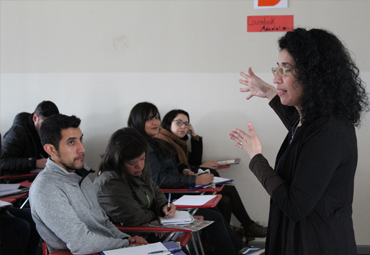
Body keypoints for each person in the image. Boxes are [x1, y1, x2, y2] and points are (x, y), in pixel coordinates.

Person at [229, 28, 369, 255]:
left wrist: (256, 159)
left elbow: (295, 206)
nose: (276, 77)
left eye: (286, 69)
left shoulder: (329, 130)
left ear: (314, 74)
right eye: (277, 68)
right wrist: (267, 91)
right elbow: (299, 130)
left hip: (318, 245)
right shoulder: (315, 123)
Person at [128, 102, 253, 255]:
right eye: (149, 119)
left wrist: (185, 170)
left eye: (156, 118)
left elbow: (174, 165)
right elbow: (158, 179)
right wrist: (195, 180)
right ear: (138, 121)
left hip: (171, 196)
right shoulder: (143, 147)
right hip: (165, 201)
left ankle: (241, 248)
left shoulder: (155, 142)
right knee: (213, 215)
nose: (155, 122)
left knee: (216, 208)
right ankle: (239, 247)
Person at [29, 114, 146, 254]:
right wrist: (125, 244)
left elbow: (103, 222)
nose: (82, 149)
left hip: (110, 249)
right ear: (51, 150)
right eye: (71, 142)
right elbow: (81, 243)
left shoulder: (80, 175)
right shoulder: (46, 189)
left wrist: (127, 239)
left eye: (80, 139)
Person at [159, 109, 267, 239]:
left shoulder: (178, 142)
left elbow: (192, 162)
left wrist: (193, 135)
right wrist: (200, 167)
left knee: (225, 200)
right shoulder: (163, 142)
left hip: (185, 184)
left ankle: (219, 241)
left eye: (186, 124)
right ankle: (247, 227)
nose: (183, 126)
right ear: (167, 123)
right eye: (179, 122)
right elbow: (177, 171)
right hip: (177, 191)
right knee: (228, 189)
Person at [94, 128, 190, 254]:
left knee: (181, 246)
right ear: (118, 160)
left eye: (142, 158)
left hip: (146, 229)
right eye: (132, 163)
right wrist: (156, 216)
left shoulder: (140, 170)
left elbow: (155, 190)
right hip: (127, 238)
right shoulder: (109, 182)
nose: (140, 166)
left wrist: (162, 206)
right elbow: (133, 217)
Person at [1, 101, 59, 175]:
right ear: (35, 118)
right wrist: (35, 162)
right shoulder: (18, 132)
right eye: (44, 125)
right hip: (18, 180)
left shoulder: (53, 129)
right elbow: (2, 161)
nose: (48, 130)